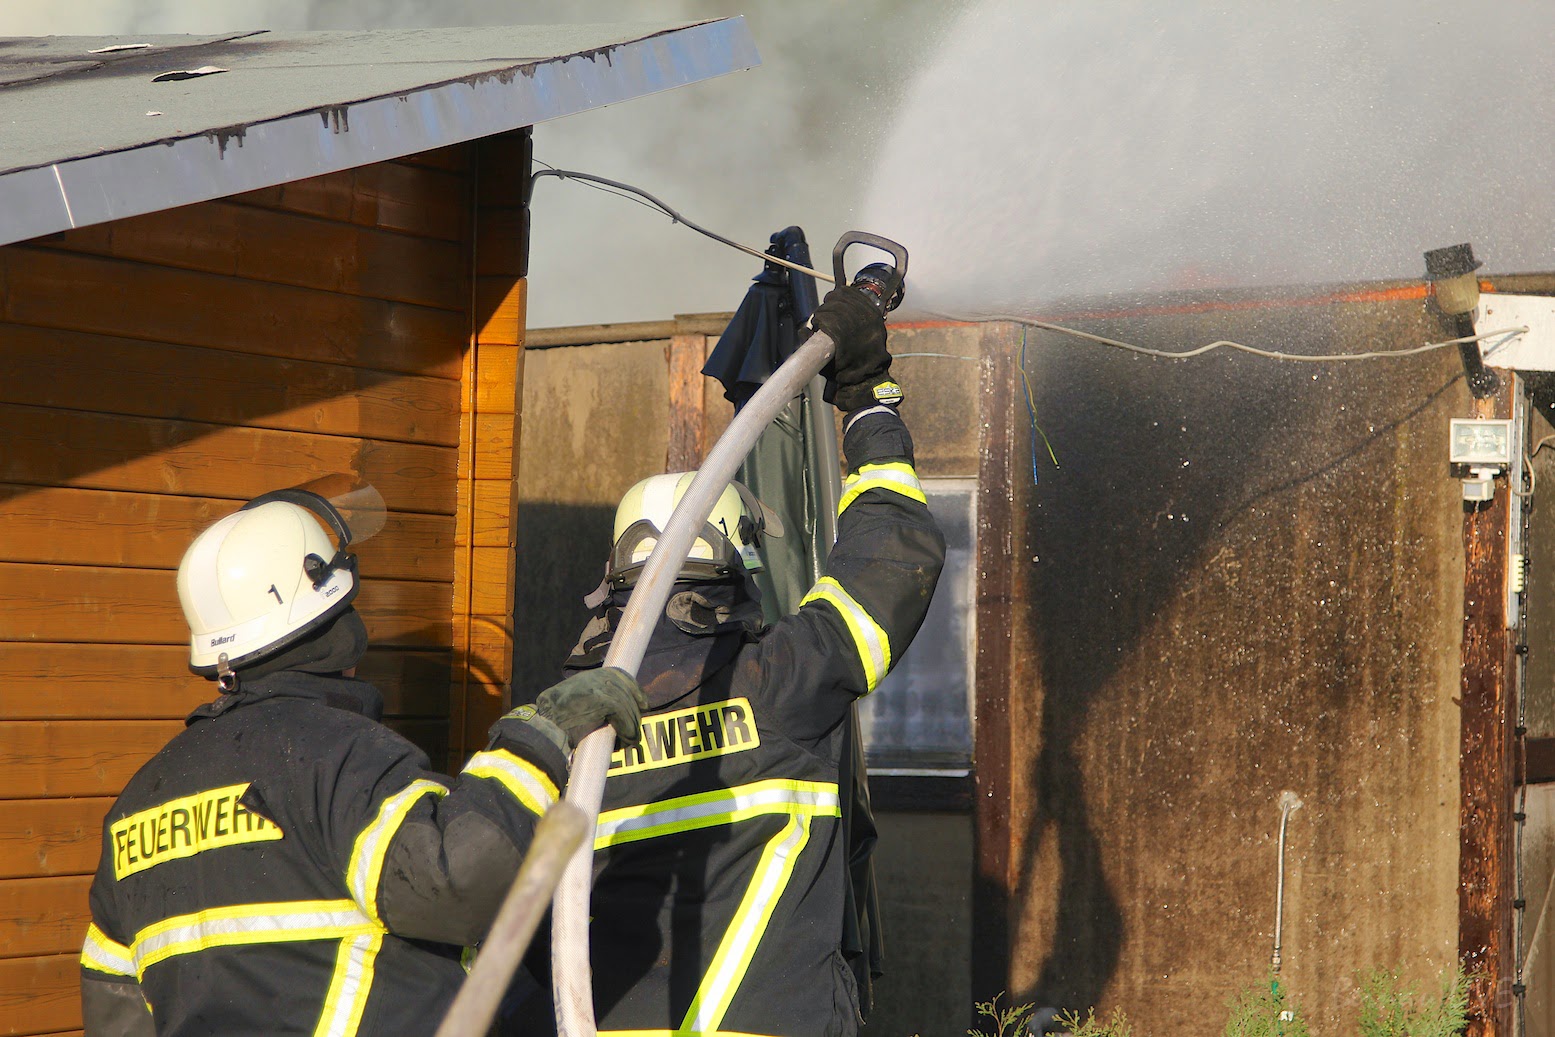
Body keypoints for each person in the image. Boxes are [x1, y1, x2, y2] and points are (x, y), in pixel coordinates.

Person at [79, 487, 644, 1035]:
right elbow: (455, 884)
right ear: (336, 629)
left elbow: (117, 1012)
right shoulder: (335, 756)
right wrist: (537, 739)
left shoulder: (134, 809)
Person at [551, 286, 945, 1036]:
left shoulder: (563, 728)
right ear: (737, 569)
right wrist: (867, 398)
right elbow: (893, 551)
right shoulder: (782, 679)